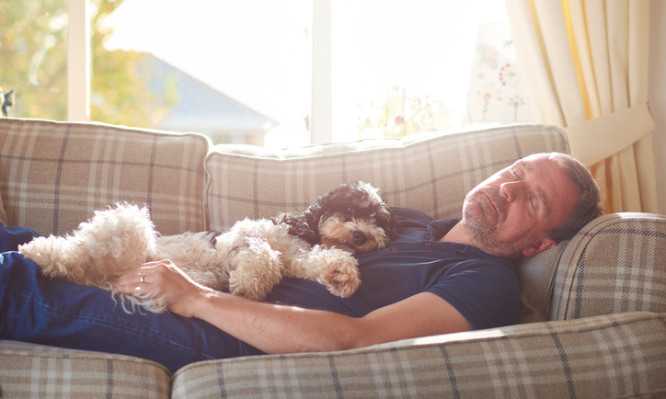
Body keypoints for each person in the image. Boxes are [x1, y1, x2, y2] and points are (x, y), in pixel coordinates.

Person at [0, 152, 602, 372]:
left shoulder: (484, 281)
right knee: (24, 242)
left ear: (539, 246)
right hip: (203, 266)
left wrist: (196, 297)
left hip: (218, 330)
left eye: (534, 199)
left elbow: (355, 338)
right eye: (516, 171)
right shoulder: (415, 221)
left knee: (18, 285)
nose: (508, 187)